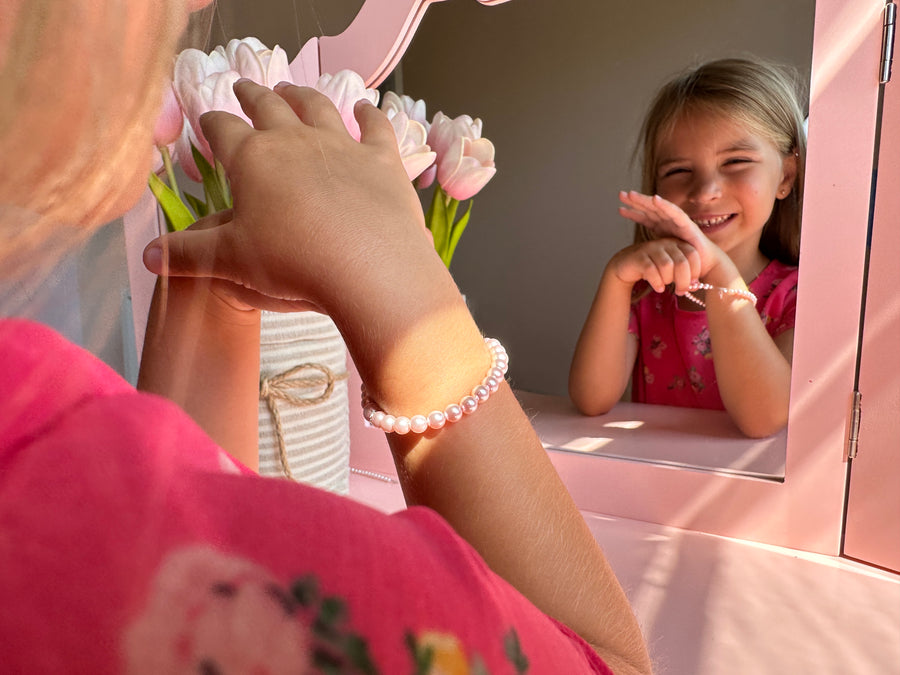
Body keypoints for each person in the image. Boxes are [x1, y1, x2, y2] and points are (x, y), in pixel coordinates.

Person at [0, 1, 653, 673]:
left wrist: (212, 292)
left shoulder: (40, 434)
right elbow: (606, 659)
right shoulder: (316, 609)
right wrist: (404, 286)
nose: (196, 3)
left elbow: (184, 518)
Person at [569, 58, 806, 439]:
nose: (706, 191)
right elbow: (592, 399)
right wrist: (616, 279)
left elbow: (763, 419)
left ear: (786, 176)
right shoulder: (648, 291)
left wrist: (720, 270)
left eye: (737, 161)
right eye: (679, 171)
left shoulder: (796, 296)